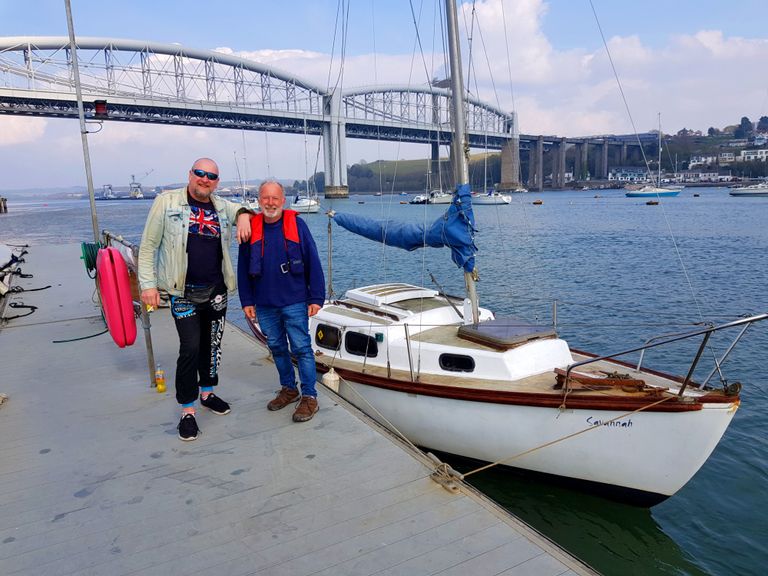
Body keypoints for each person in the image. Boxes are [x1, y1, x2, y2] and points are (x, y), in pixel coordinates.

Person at [138, 158, 251, 441]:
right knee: (190, 348)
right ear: (189, 174)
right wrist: (148, 285)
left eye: (211, 176)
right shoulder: (167, 202)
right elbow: (148, 247)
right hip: (182, 292)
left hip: (216, 291)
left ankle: (207, 393)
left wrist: (245, 215)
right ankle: (187, 410)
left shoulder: (220, 205)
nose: (205, 179)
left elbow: (239, 208)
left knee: (212, 346)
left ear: (216, 181)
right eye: (199, 173)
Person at [237, 180, 325, 423]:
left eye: (275, 198)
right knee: (275, 347)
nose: (270, 203)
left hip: (295, 300)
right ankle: (289, 388)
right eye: (265, 198)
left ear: (283, 201)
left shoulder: (297, 225)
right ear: (258, 200)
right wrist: (247, 300)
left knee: (301, 348)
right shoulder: (251, 228)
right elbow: (243, 268)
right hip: (264, 303)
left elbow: (313, 260)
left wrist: (317, 296)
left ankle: (309, 396)